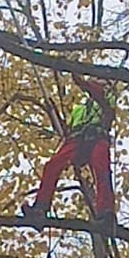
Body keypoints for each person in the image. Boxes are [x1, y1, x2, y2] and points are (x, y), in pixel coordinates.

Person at [22, 77, 117, 228]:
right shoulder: (79, 109)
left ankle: (106, 212)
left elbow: (99, 97)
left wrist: (80, 80)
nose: (100, 84)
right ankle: (40, 207)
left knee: (102, 170)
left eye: (104, 82)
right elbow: (69, 129)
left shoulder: (107, 99)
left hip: (97, 137)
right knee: (52, 166)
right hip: (76, 139)